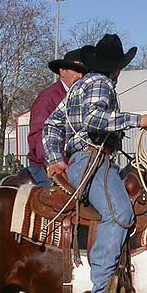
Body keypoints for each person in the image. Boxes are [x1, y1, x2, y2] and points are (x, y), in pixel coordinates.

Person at [43, 34, 147, 293]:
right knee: (120, 214)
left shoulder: (77, 87)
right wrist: (137, 120)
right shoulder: (102, 84)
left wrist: (56, 159)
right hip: (94, 160)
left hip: (84, 159)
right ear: (117, 68)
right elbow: (95, 119)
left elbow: (51, 124)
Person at [27, 45, 92, 187]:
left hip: (77, 165)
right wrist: (54, 162)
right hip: (45, 168)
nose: (80, 76)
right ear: (62, 71)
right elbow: (39, 137)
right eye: (76, 70)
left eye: (83, 72)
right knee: (65, 203)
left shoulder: (82, 96)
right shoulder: (48, 98)